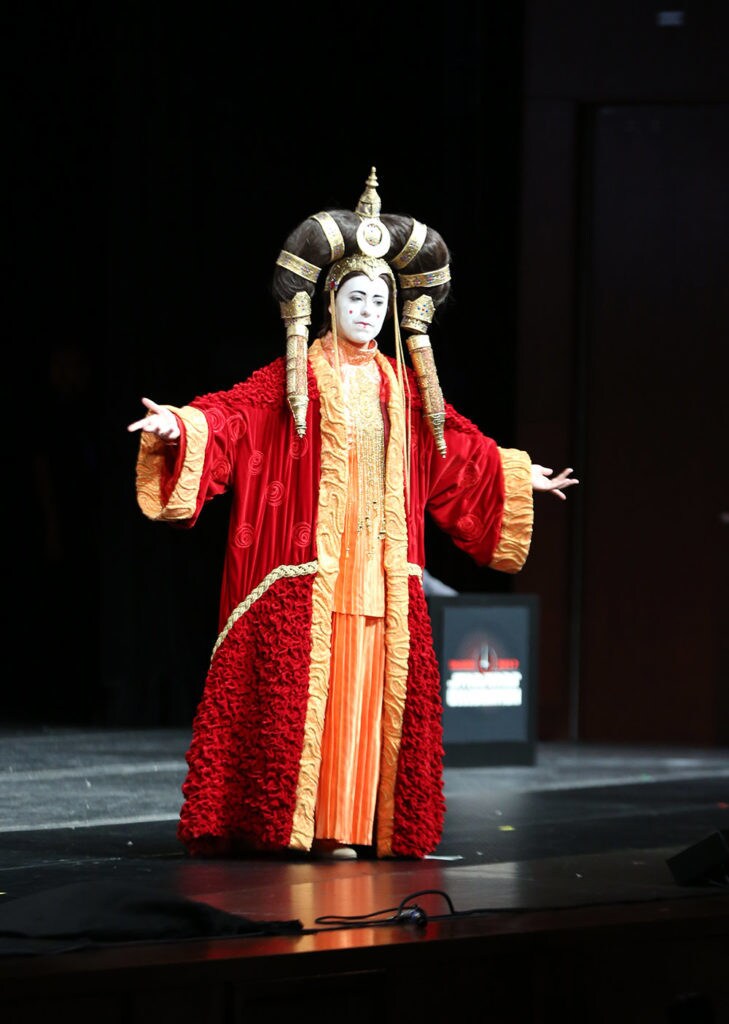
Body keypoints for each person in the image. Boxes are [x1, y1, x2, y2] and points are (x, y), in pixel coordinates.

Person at [127, 168, 578, 861]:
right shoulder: (294, 375)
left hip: (382, 571)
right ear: (329, 302)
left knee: (371, 691)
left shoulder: (402, 384)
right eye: (356, 297)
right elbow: (232, 416)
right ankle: (304, 824)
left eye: (378, 300)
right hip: (311, 566)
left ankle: (357, 825)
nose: (368, 309)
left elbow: (456, 445)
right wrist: (181, 429)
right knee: (316, 689)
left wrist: (517, 473)